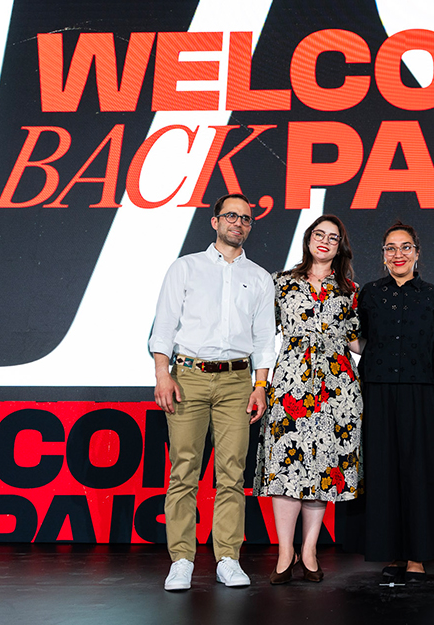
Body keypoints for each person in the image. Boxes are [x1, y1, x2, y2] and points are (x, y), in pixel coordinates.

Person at [148, 193, 275, 591]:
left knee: (232, 473)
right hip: (188, 377)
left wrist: (260, 386)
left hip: (237, 381)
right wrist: (162, 374)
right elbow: (164, 326)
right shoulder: (185, 268)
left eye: (246, 218)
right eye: (231, 216)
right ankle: (181, 560)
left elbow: (264, 339)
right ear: (215, 221)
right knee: (184, 470)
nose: (239, 223)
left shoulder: (259, 277)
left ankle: (228, 558)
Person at [253, 214, 363, 584]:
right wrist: (260, 383)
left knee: (323, 469)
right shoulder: (281, 283)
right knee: (286, 469)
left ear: (340, 246)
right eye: (320, 234)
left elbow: (356, 341)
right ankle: (286, 552)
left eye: (333, 237)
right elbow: (263, 336)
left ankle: (310, 550)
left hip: (338, 389)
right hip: (290, 386)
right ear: (308, 238)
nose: (325, 241)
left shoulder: (349, 289)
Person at [349, 221, 434, 582]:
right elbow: (359, 339)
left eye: (405, 247)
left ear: (417, 253)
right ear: (383, 256)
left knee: (419, 474)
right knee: (383, 473)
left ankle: (417, 556)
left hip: (422, 392)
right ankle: (391, 552)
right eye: (391, 248)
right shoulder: (369, 293)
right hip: (377, 391)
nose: (399, 254)